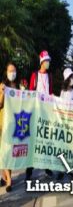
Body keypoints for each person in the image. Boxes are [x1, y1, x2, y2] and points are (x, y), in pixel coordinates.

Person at [26, 51, 53, 181]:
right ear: (41, 62)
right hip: (37, 112)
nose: (48, 63)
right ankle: (29, 169)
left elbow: (51, 93)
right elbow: (31, 93)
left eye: (48, 61)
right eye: (46, 61)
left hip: (46, 113)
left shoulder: (50, 76)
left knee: (46, 141)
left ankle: (47, 168)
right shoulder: (34, 75)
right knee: (34, 142)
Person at [0, 63, 18, 192]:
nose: (12, 72)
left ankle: (6, 177)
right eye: (10, 70)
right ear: (6, 72)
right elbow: (0, 104)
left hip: (14, 124)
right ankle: (9, 181)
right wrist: (1, 93)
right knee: (5, 152)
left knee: (10, 153)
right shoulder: (2, 86)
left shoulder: (17, 87)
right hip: (3, 124)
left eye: (14, 70)